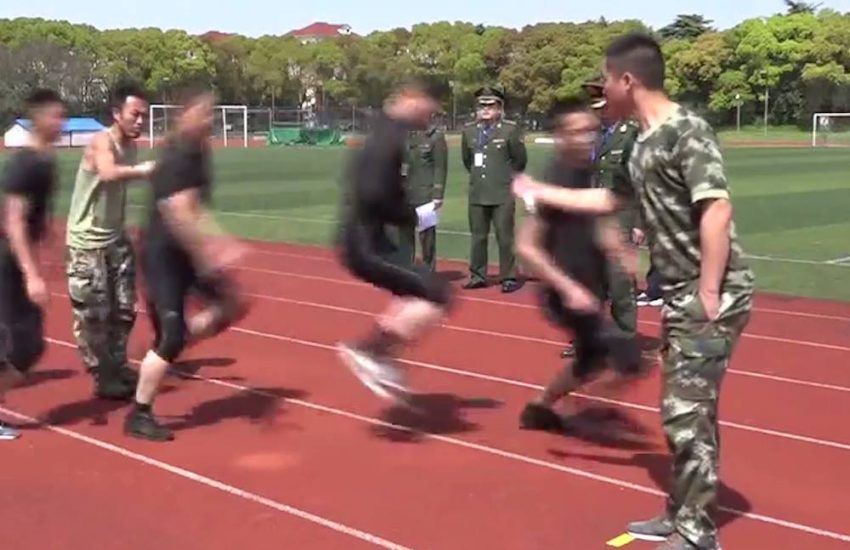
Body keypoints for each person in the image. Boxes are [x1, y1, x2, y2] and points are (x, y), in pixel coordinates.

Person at [514, 32, 754, 550]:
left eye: (605, 78)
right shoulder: (640, 141)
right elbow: (607, 199)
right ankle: (682, 514)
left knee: (685, 411)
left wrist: (709, 293)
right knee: (687, 409)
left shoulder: (684, 130)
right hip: (684, 290)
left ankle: (696, 534)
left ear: (628, 79)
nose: (600, 89)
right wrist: (539, 190)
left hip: (711, 290)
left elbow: (716, 208)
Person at [126, 88, 248, 442]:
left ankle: (169, 348)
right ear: (185, 114)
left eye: (212, 113)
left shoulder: (198, 150)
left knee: (232, 304)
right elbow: (179, 212)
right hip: (163, 254)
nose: (210, 120)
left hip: (184, 251)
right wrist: (211, 253)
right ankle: (140, 414)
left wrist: (216, 243)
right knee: (172, 336)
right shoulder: (179, 154)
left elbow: (195, 207)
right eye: (204, 112)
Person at [514, 99, 642, 431]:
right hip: (564, 291)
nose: (587, 137)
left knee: (589, 361)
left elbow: (599, 217)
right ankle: (590, 407)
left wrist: (619, 249)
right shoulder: (553, 179)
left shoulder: (587, 171)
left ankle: (540, 408)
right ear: (559, 136)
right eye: (577, 131)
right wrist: (567, 288)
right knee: (628, 357)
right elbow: (526, 248)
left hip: (590, 282)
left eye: (592, 130)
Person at [336, 80, 453, 403]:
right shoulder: (388, 137)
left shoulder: (387, 131)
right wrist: (413, 216)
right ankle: (370, 351)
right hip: (365, 244)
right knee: (438, 293)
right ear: (412, 98)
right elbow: (373, 193)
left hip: (368, 239)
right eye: (431, 105)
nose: (434, 113)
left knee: (416, 291)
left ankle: (377, 352)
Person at [66, 82, 154, 400]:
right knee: (93, 315)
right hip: (87, 243)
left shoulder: (131, 146)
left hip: (116, 238)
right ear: (117, 114)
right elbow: (107, 174)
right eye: (135, 114)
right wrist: (144, 171)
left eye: (144, 115)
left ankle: (117, 365)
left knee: (125, 309)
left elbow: (118, 187)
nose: (141, 121)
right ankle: (102, 375)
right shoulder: (101, 142)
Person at [0, 89, 66, 440]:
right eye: (56, 116)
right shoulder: (26, 164)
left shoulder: (46, 161)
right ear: (38, 118)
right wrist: (30, 274)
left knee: (26, 346)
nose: (62, 122)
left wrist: (53, 247)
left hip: (16, 261)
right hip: (7, 264)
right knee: (21, 346)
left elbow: (37, 220)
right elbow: (13, 221)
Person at [562, 78, 641, 358]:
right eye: (595, 107)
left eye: (603, 106)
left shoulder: (631, 134)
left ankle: (626, 339)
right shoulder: (586, 135)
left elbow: (642, 180)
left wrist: (640, 223)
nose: (599, 112)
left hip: (618, 216)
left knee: (619, 283)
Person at [461, 86, 527, 293]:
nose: (485, 109)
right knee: (478, 237)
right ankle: (478, 275)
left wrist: (506, 180)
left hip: (502, 193)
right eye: (482, 105)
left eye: (490, 105)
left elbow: (519, 160)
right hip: (478, 192)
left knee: (504, 237)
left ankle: (508, 276)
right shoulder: (469, 131)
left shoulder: (509, 129)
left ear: (499, 108)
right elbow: (467, 161)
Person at [397, 115, 448, 272]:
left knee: (427, 237)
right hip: (404, 192)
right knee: (404, 234)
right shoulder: (402, 135)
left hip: (425, 193)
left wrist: (438, 193)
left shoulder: (435, 137)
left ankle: (428, 271)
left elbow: (440, 167)